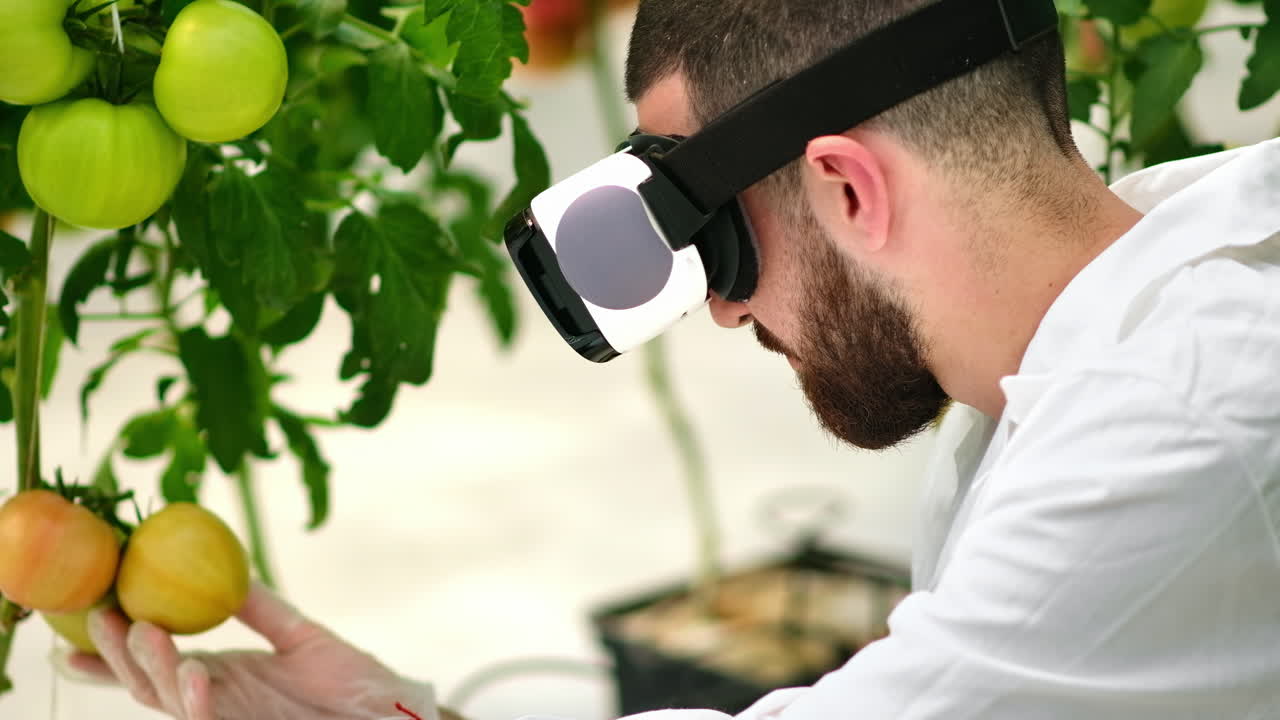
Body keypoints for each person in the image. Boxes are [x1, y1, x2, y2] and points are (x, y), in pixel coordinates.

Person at [66, 0, 1280, 718]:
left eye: (717, 247)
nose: (720, 314)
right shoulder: (1122, 331)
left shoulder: (1174, 415)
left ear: (846, 186)